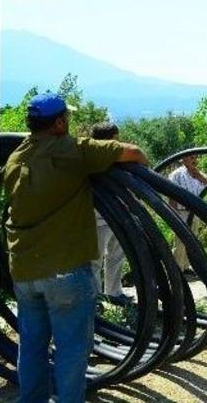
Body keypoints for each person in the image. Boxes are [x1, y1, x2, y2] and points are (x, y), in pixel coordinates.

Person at [1, 94, 148, 401]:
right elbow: (134, 153)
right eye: (65, 118)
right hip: (66, 272)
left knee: (32, 346)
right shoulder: (73, 150)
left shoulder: (16, 158)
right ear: (58, 123)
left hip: (25, 273)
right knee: (71, 349)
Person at [90, 122, 132, 305]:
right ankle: (95, 298)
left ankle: (114, 293)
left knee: (117, 256)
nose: (118, 143)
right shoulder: (90, 162)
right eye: (115, 139)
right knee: (94, 261)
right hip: (96, 220)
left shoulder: (118, 161)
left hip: (117, 218)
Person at [167, 153, 207, 273]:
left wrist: (200, 176)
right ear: (184, 159)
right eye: (191, 157)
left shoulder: (198, 174)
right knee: (180, 242)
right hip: (182, 212)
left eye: (196, 157)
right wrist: (173, 213)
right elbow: (171, 194)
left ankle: (186, 267)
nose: (194, 160)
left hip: (195, 212)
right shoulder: (176, 174)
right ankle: (177, 270)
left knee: (192, 241)